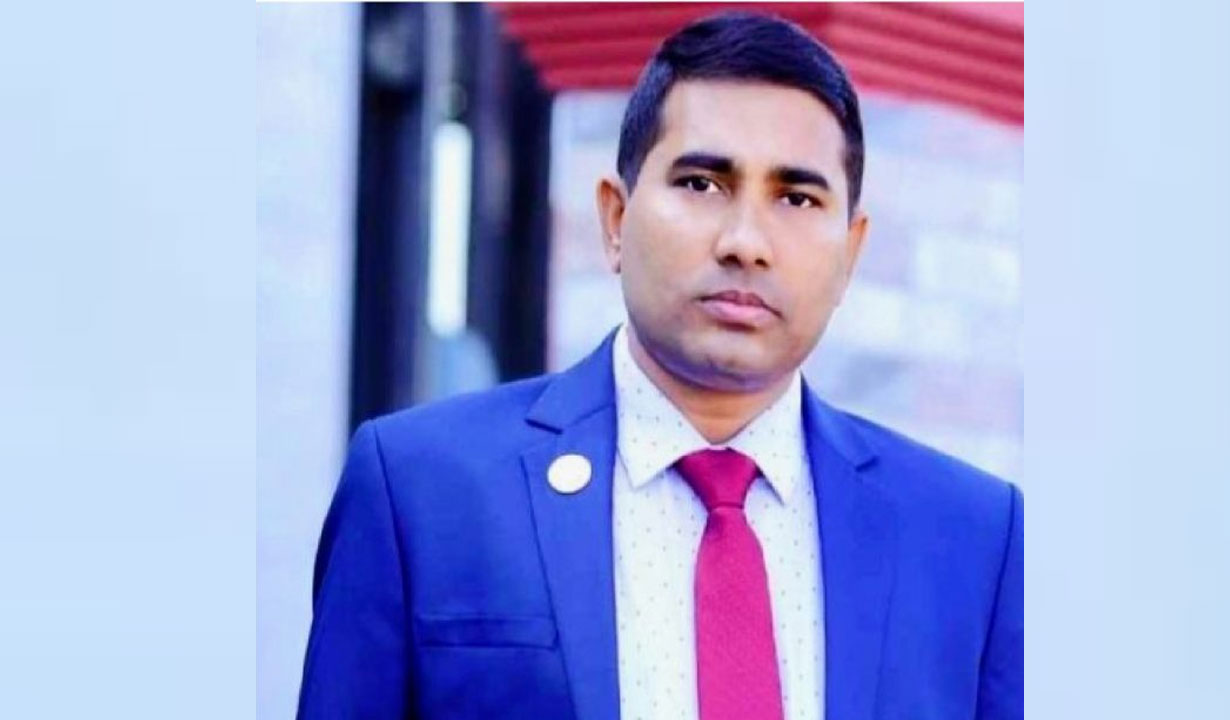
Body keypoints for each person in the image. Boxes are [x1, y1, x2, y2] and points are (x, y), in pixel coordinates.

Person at [296, 11, 1022, 720]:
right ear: (616, 218)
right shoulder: (422, 486)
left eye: (796, 197)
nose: (745, 242)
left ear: (850, 253)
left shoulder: (969, 538)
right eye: (702, 184)